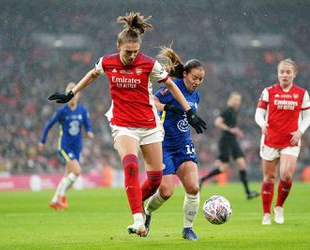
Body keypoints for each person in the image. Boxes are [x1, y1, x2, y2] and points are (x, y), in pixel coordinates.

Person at [47, 12, 206, 236]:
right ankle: (138, 219)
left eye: (135, 52)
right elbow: (93, 74)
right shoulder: (107, 62)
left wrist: (189, 111)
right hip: (123, 125)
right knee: (130, 165)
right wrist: (71, 93)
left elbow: (171, 85)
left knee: (154, 182)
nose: (131, 56)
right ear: (118, 45)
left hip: (149, 125)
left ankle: (140, 206)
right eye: (127, 51)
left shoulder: (149, 64)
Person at [144, 46, 204, 241]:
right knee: (166, 192)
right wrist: (168, 107)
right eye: (194, 77)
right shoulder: (173, 86)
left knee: (194, 187)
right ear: (185, 74)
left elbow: (186, 118)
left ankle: (188, 229)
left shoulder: (196, 95)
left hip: (183, 145)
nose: (197, 82)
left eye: (201, 79)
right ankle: (148, 210)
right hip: (164, 145)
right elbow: (152, 101)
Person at [255, 58, 310, 225]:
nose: (285, 75)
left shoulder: (302, 94)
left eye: (288, 72)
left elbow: (307, 117)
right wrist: (262, 123)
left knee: (286, 175)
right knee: (269, 178)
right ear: (278, 74)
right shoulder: (269, 91)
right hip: (270, 139)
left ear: (294, 74)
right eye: (282, 72)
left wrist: (300, 131)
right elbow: (259, 113)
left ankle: (279, 206)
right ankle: (266, 213)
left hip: (290, 141)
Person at [39, 82, 94, 211]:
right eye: (70, 93)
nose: (73, 96)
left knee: (69, 176)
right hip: (65, 147)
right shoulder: (62, 111)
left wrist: (89, 131)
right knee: (77, 171)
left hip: (77, 147)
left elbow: (87, 124)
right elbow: (49, 124)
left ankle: (55, 200)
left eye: (75, 93)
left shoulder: (82, 110)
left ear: (78, 94)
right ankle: (61, 197)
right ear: (67, 94)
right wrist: (42, 140)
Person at [199, 92, 259, 199]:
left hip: (233, 141)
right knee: (223, 168)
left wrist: (236, 131)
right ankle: (203, 179)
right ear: (230, 100)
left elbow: (232, 127)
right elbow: (217, 122)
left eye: (238, 100)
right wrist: (230, 129)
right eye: (235, 99)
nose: (237, 102)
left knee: (241, 163)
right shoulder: (228, 111)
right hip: (225, 141)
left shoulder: (234, 112)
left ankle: (248, 192)